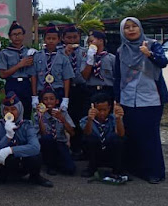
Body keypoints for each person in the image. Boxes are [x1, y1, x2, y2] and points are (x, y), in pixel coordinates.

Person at [114, 17, 168, 184]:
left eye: (134, 26)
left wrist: (149, 54)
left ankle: (154, 172)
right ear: (122, 31)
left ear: (140, 28)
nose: (131, 30)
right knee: (132, 135)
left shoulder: (152, 44)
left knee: (150, 136)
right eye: (127, 27)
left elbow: (163, 62)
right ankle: (135, 168)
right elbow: (117, 77)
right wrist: (117, 100)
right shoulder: (121, 51)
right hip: (128, 99)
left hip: (151, 99)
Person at [0, 92, 53, 187]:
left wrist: (10, 150)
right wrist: (8, 137)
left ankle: (35, 176)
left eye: (13, 109)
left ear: (19, 109)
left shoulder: (27, 125)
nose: (9, 112)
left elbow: (35, 147)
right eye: (6, 109)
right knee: (4, 155)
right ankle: (2, 176)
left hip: (25, 162)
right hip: (8, 163)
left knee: (36, 156)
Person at [80, 93, 126, 179]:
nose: (102, 113)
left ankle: (117, 169)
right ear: (93, 107)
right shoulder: (85, 120)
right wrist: (90, 119)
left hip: (109, 151)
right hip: (95, 152)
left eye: (105, 110)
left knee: (117, 138)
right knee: (89, 138)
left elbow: (121, 134)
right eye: (99, 110)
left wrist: (118, 119)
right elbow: (87, 133)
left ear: (109, 108)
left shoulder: (113, 118)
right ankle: (92, 167)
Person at [31, 23, 74, 112]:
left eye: (54, 39)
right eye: (48, 38)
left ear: (58, 40)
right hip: (42, 92)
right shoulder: (37, 56)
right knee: (42, 117)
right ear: (44, 39)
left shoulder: (63, 57)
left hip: (57, 91)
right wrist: (34, 96)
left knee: (58, 117)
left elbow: (66, 78)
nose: (51, 41)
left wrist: (66, 99)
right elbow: (34, 76)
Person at [0, 21, 36, 119]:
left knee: (27, 112)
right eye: (14, 34)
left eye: (19, 34)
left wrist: (34, 94)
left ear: (23, 35)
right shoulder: (4, 53)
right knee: (12, 112)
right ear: (10, 37)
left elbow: (33, 74)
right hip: (12, 84)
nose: (17, 37)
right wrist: (20, 65)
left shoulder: (29, 52)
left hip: (26, 84)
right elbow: (3, 74)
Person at [60, 25, 88, 156]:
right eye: (68, 37)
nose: (72, 40)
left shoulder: (85, 52)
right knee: (67, 117)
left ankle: (81, 148)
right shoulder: (59, 52)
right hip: (65, 89)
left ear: (80, 37)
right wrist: (66, 54)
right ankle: (67, 146)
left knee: (81, 117)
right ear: (63, 38)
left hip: (81, 88)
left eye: (75, 37)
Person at [34, 89, 76, 176]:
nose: (48, 101)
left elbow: (72, 133)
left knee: (70, 170)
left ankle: (56, 162)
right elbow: (43, 134)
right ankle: (50, 166)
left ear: (56, 101)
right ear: (41, 102)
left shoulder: (63, 113)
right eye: (45, 99)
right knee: (47, 139)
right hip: (47, 144)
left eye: (51, 99)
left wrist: (62, 119)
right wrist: (40, 118)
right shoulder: (38, 115)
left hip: (60, 143)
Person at [82, 31, 115, 100]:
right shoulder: (86, 57)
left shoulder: (111, 58)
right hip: (91, 90)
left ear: (100, 41)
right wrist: (90, 60)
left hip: (107, 90)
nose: (89, 44)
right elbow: (85, 76)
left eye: (91, 41)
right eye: (88, 43)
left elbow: (116, 77)